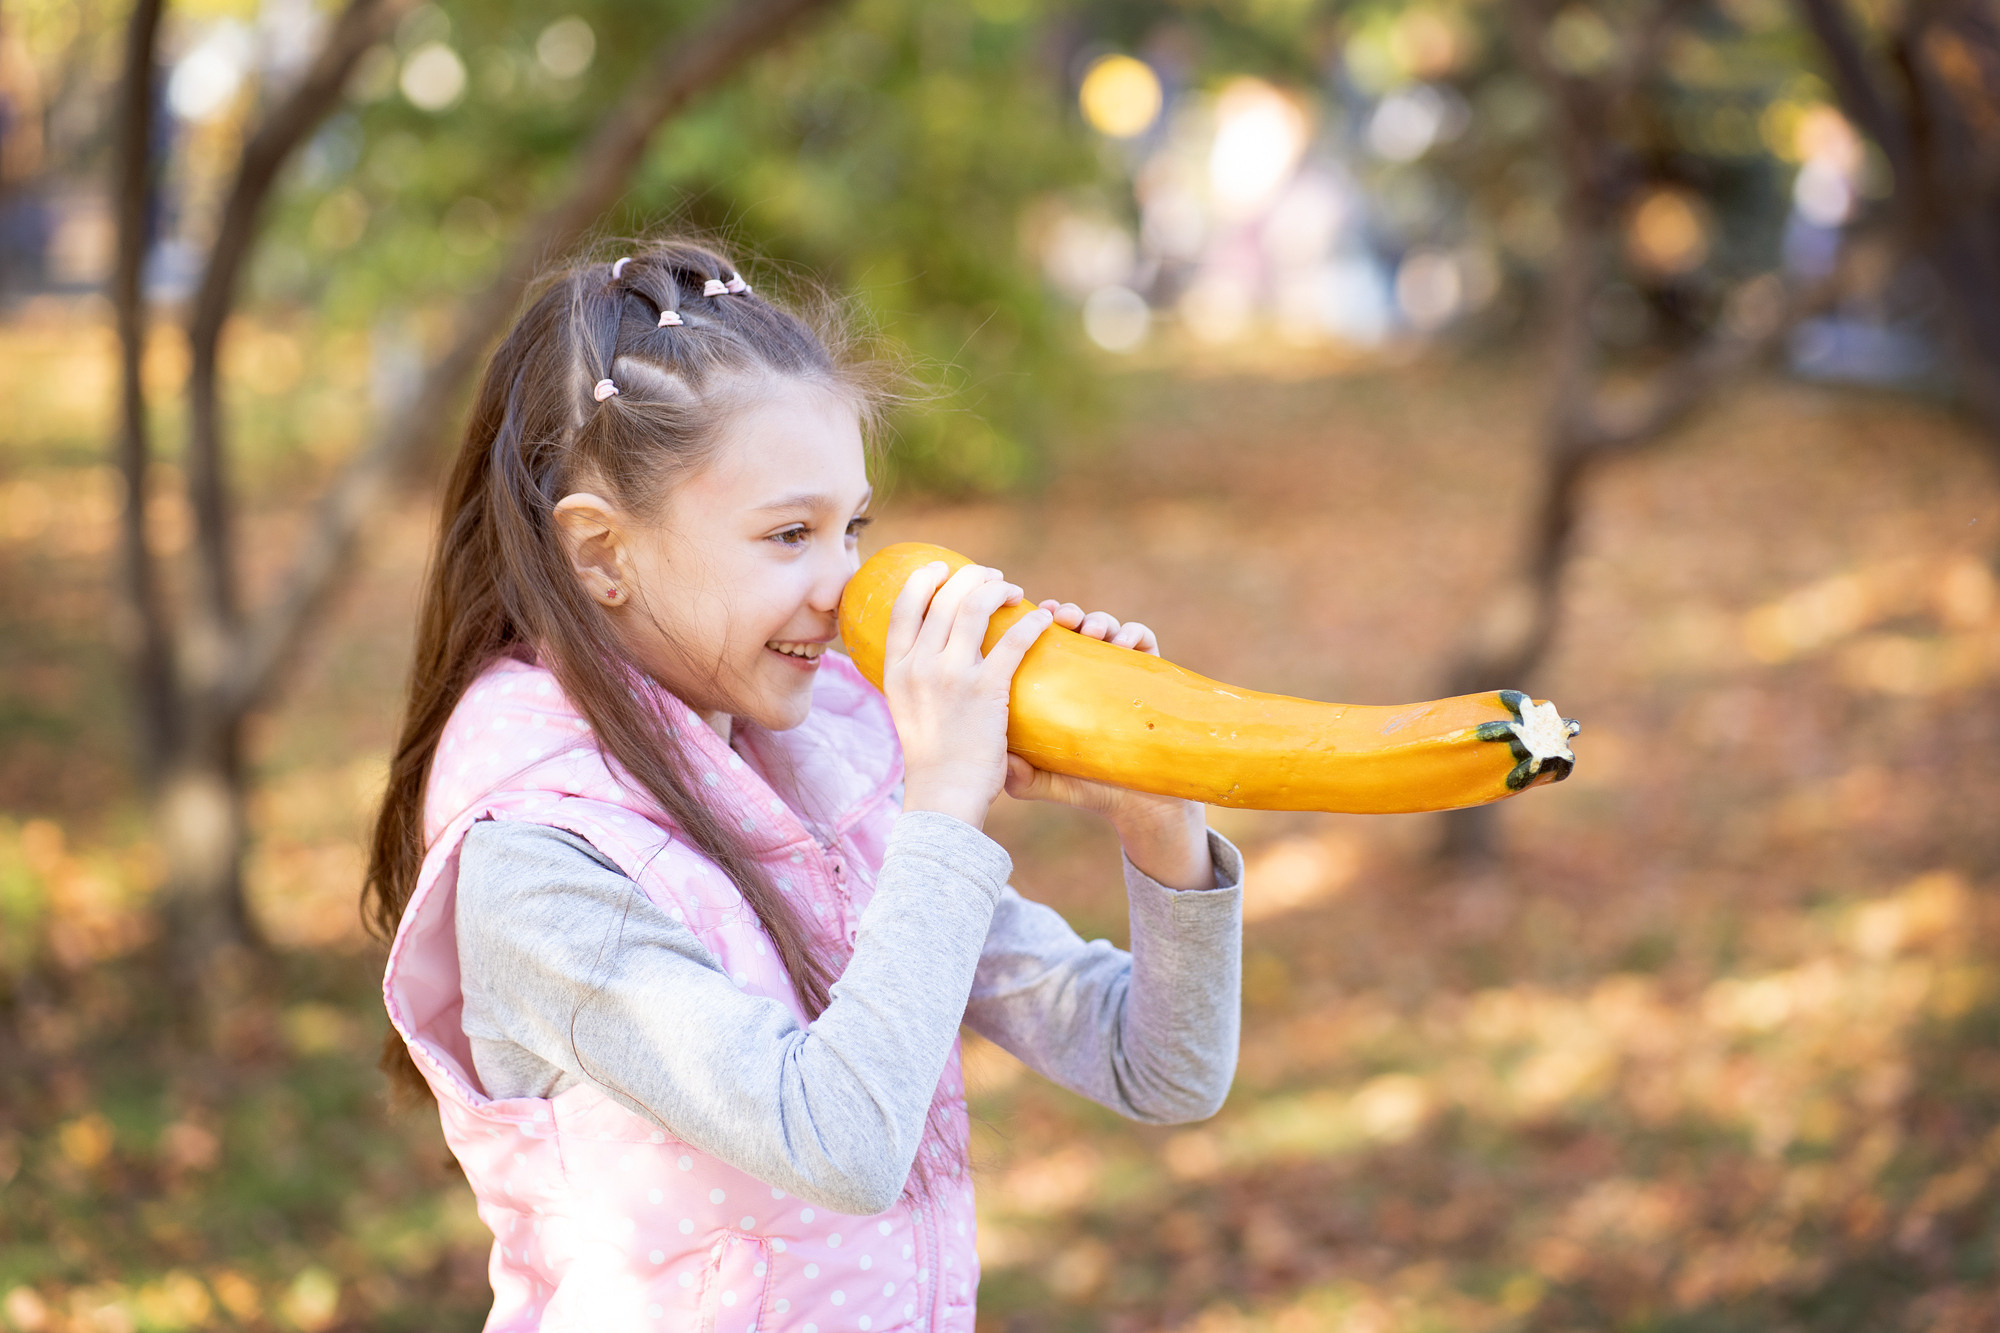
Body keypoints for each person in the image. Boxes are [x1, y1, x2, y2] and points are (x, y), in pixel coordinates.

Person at [365, 239, 1245, 1333]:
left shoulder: (826, 770)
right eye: (789, 534)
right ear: (601, 552)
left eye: (851, 527)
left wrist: (1156, 809)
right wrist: (942, 807)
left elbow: (1159, 1067)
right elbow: (841, 1139)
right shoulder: (537, 864)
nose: (840, 586)